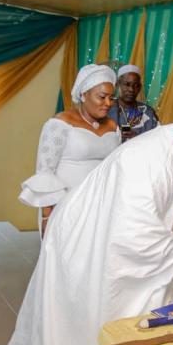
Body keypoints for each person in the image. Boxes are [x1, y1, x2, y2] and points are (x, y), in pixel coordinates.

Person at [7, 90, 173, 345]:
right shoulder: (146, 159)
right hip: (84, 239)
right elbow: (132, 234)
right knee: (94, 317)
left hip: (126, 238)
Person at [18, 64, 120, 235]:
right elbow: (45, 172)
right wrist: (46, 216)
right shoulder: (60, 124)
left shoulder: (113, 127)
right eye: (102, 97)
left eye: (111, 98)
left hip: (101, 204)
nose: (108, 103)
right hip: (66, 204)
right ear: (83, 94)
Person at [107, 64, 159, 141]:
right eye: (127, 84)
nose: (131, 89)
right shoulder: (107, 109)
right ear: (118, 85)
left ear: (140, 87)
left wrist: (137, 138)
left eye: (136, 85)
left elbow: (158, 139)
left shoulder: (148, 112)